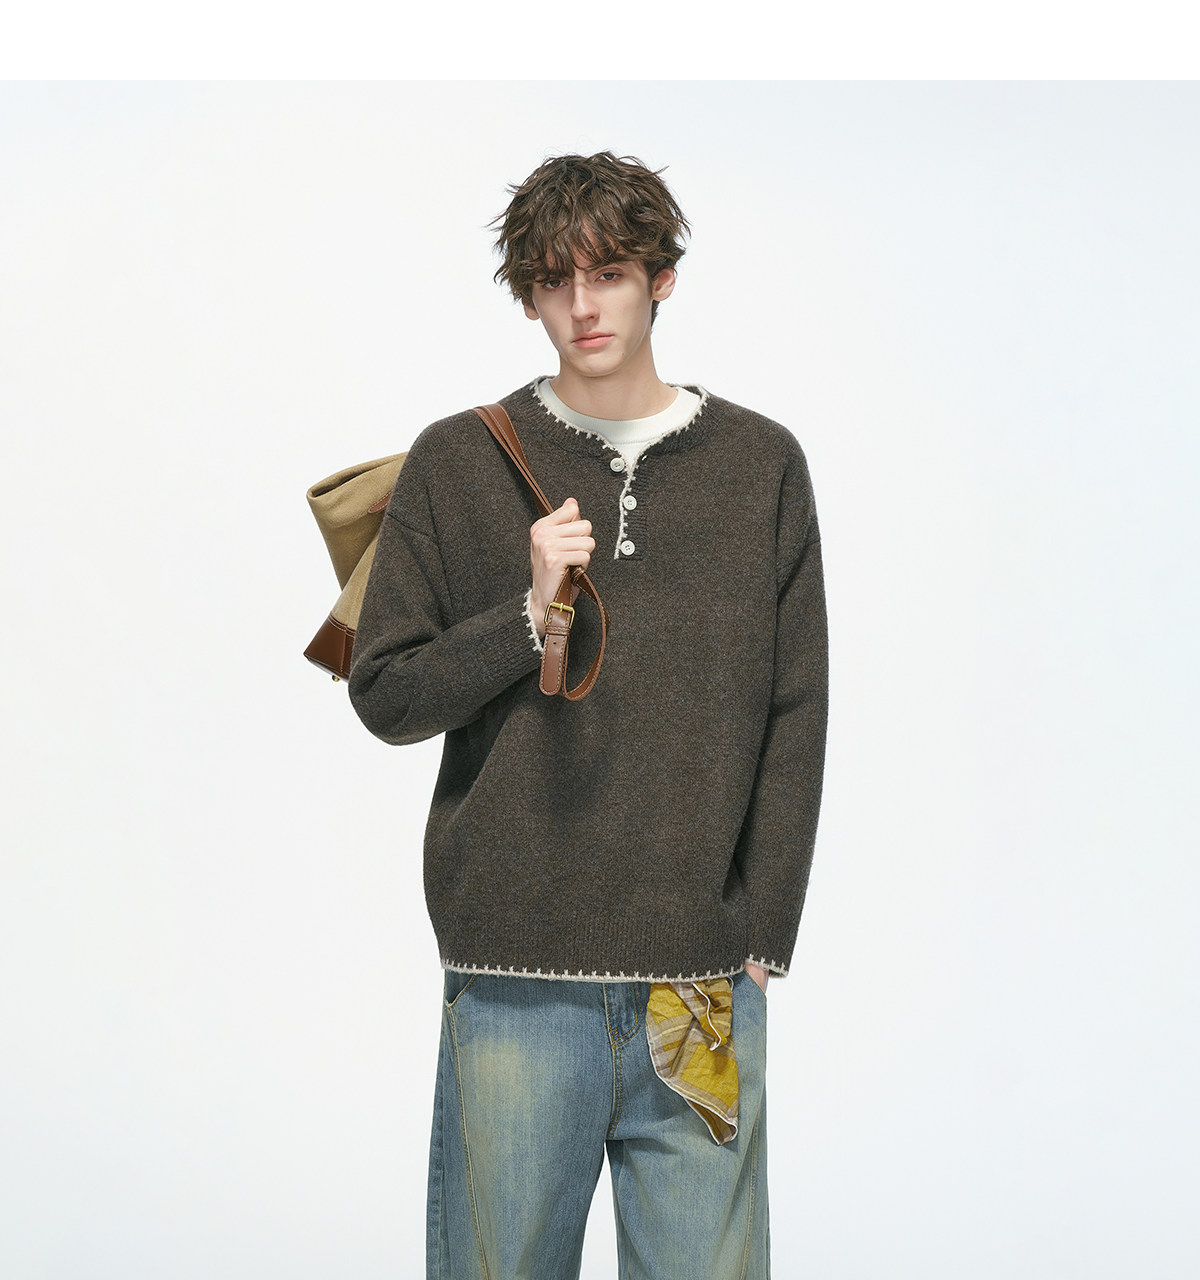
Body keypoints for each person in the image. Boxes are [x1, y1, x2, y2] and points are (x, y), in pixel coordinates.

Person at [347, 150, 829, 1280]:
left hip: (697, 989)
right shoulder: (460, 460)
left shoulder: (761, 464)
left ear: (660, 279)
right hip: (513, 981)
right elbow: (387, 692)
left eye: (608, 273)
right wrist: (526, 615)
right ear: (527, 296)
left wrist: (762, 931)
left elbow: (796, 704)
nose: (583, 304)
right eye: (553, 280)